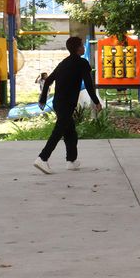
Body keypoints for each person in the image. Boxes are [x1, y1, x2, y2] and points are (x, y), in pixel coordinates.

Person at [33, 36, 102, 174]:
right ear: (77, 48)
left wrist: (42, 99)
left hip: (58, 103)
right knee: (58, 131)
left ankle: (71, 161)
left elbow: (47, 81)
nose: (83, 47)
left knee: (70, 132)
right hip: (66, 104)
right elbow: (89, 85)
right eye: (82, 45)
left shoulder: (63, 63)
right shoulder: (82, 63)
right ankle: (42, 158)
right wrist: (96, 101)